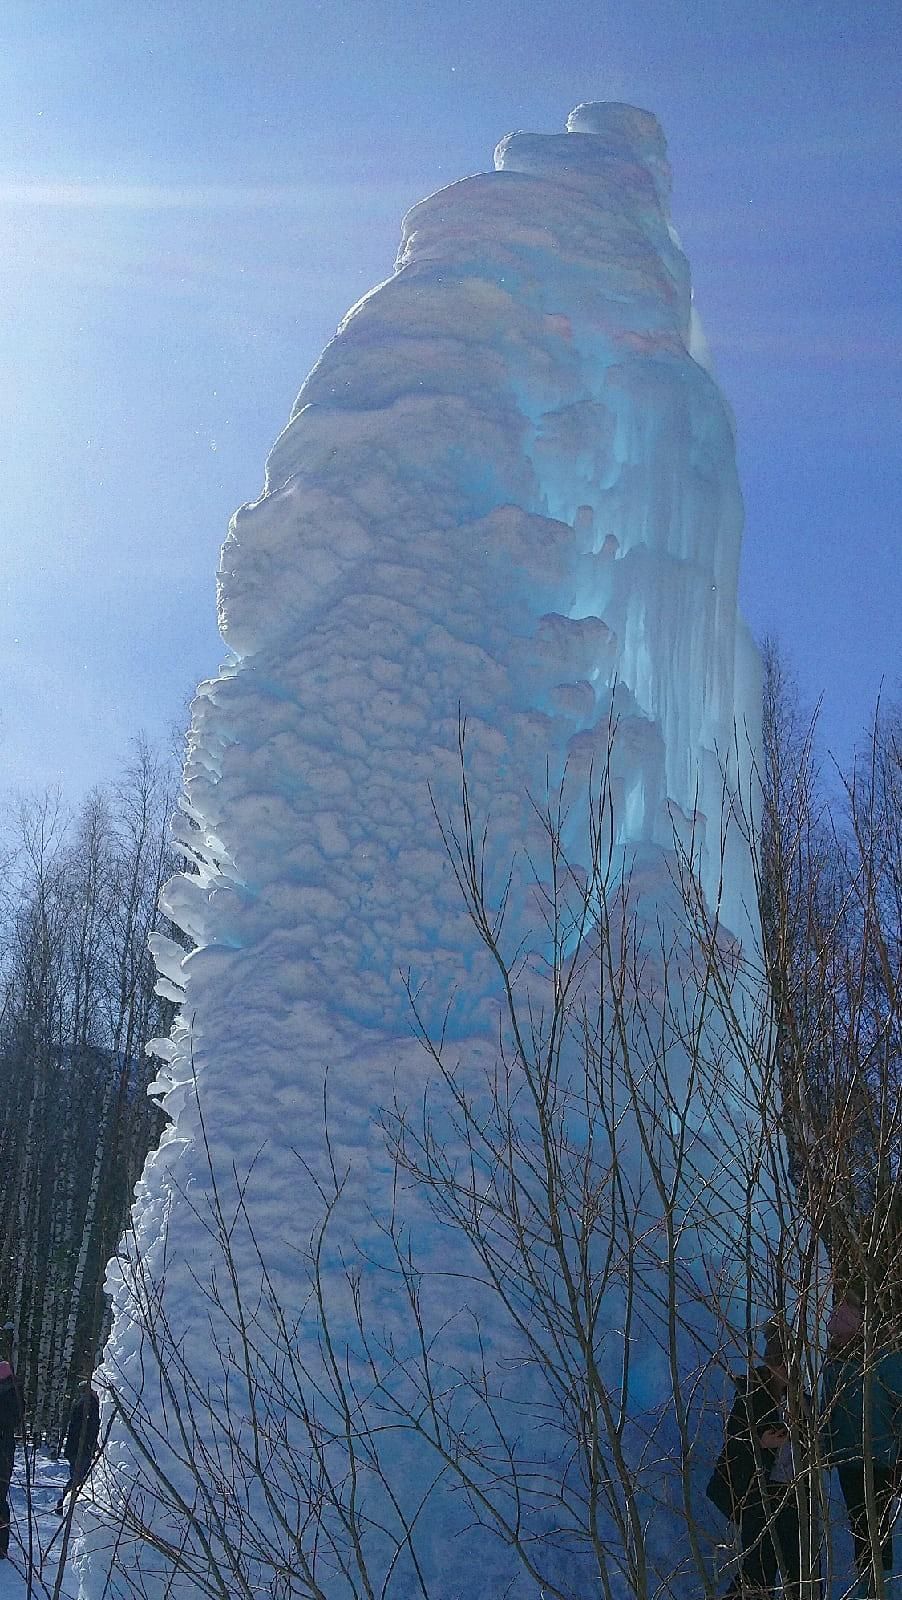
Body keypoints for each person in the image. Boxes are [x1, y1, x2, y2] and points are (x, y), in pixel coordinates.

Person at [707, 1323, 803, 1597]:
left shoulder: (798, 1400)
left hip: (792, 1495)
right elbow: (735, 1438)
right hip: (758, 1494)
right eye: (778, 1362)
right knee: (757, 1568)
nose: (783, 1370)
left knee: (797, 1568)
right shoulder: (752, 1394)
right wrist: (762, 1442)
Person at [820, 1295, 902, 1593]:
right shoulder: (833, 1366)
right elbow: (827, 1411)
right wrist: (824, 1450)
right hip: (848, 1457)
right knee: (860, 1525)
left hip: (881, 1457)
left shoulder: (884, 1360)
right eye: (835, 1335)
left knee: (877, 1527)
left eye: (841, 1334)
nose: (837, 1339)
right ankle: (870, 1585)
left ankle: (881, 1587)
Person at [55, 1381, 100, 1517]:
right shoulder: (89, 1405)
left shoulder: (82, 1403)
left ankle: (67, 1504)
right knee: (78, 1477)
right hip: (80, 1448)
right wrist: (90, 1445)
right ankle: (64, 1504)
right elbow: (90, 1428)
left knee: (77, 1476)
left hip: (76, 1447)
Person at [0, 1340, 22, 1561]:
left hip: (3, 1452)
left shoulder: (10, 1394)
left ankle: (1, 1547)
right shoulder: (12, 1392)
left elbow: (10, 1420)